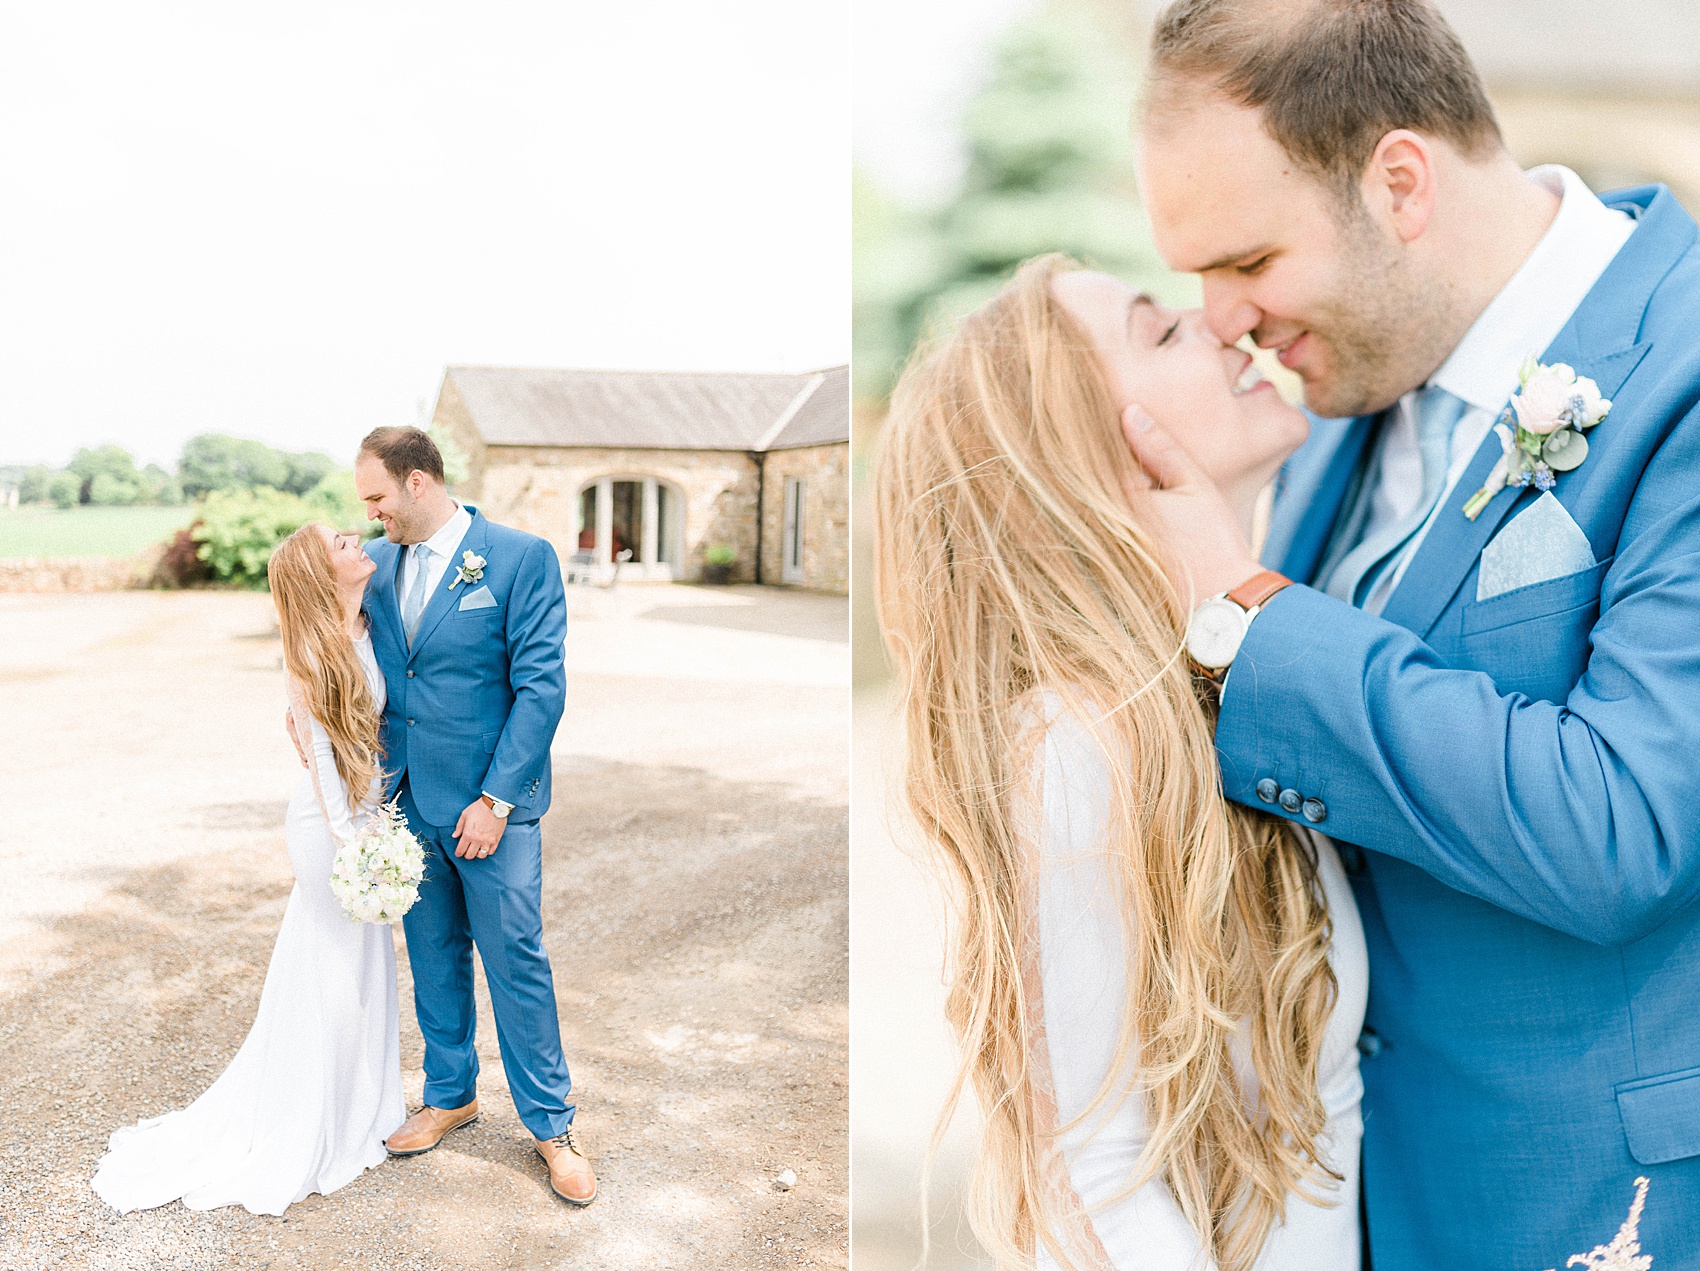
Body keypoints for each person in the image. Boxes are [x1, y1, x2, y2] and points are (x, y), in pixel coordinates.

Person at [1119, 0, 1700, 1263]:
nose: (1221, 318)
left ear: (1397, 183)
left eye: (1246, 262)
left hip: (1605, 1204)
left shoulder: (1686, 365)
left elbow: (1629, 823)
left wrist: (1249, 618)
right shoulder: (1336, 406)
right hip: (1367, 1203)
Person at [875, 254, 1366, 1270]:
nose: (1216, 321)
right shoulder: (1077, 744)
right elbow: (1091, 1172)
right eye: (1159, 329)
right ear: (1092, 457)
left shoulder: (1226, 682)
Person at [92, 524, 406, 1215]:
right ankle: (315, 1124)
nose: (357, 537)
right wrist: (353, 843)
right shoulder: (307, 655)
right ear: (320, 572)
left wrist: (381, 824)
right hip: (331, 832)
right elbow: (322, 767)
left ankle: (367, 1111)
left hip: (368, 821)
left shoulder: (369, 622)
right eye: (340, 540)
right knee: (330, 971)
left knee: (368, 967)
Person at [351, 426, 594, 1206]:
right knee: (431, 955)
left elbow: (541, 689)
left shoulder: (521, 558)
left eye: (378, 497)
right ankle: (449, 1093)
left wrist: (495, 800)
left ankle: (553, 1128)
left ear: (418, 482)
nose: (372, 514)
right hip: (410, 801)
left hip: (494, 809)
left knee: (516, 961)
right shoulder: (374, 563)